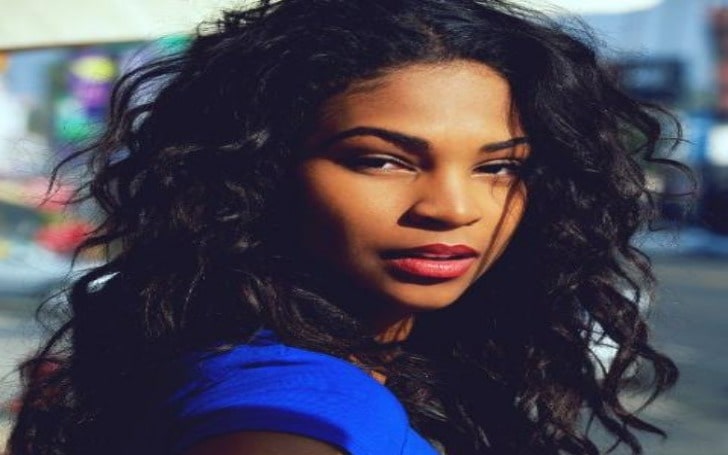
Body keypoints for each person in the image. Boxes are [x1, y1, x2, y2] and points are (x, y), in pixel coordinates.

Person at [9, 0, 687, 454]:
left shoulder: (339, 361)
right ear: (255, 174)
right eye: (380, 160)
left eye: (499, 167)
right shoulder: (287, 408)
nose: (454, 208)